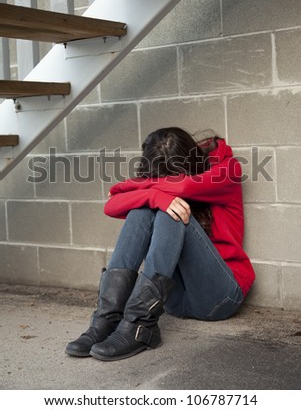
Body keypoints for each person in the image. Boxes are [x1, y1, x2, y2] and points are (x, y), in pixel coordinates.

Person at [65, 127, 255, 361]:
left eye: (169, 176)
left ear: (190, 160)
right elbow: (111, 206)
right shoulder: (164, 187)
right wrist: (152, 196)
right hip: (173, 301)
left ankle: (139, 326)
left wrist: (137, 189)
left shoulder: (226, 169)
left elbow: (184, 187)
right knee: (144, 209)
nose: (163, 182)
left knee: (170, 210)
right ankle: (107, 318)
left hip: (219, 297)